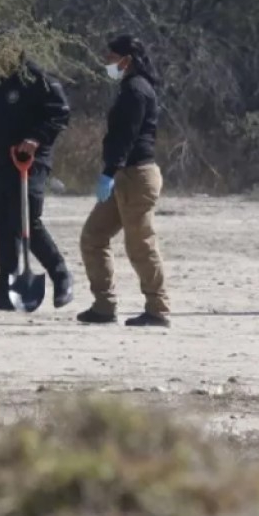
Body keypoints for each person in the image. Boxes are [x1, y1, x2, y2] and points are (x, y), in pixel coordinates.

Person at [0, 33, 73, 311]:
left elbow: (59, 113)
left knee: (26, 222)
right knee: (1, 224)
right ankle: (5, 290)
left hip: (29, 162)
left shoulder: (36, 79)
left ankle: (61, 276)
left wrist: (36, 138)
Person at [78, 35, 170, 327]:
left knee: (140, 244)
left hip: (135, 176)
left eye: (112, 57)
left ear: (126, 60)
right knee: (94, 236)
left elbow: (126, 136)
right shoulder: (130, 88)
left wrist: (109, 171)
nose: (108, 62)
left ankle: (158, 309)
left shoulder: (135, 90)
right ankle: (104, 306)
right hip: (123, 176)